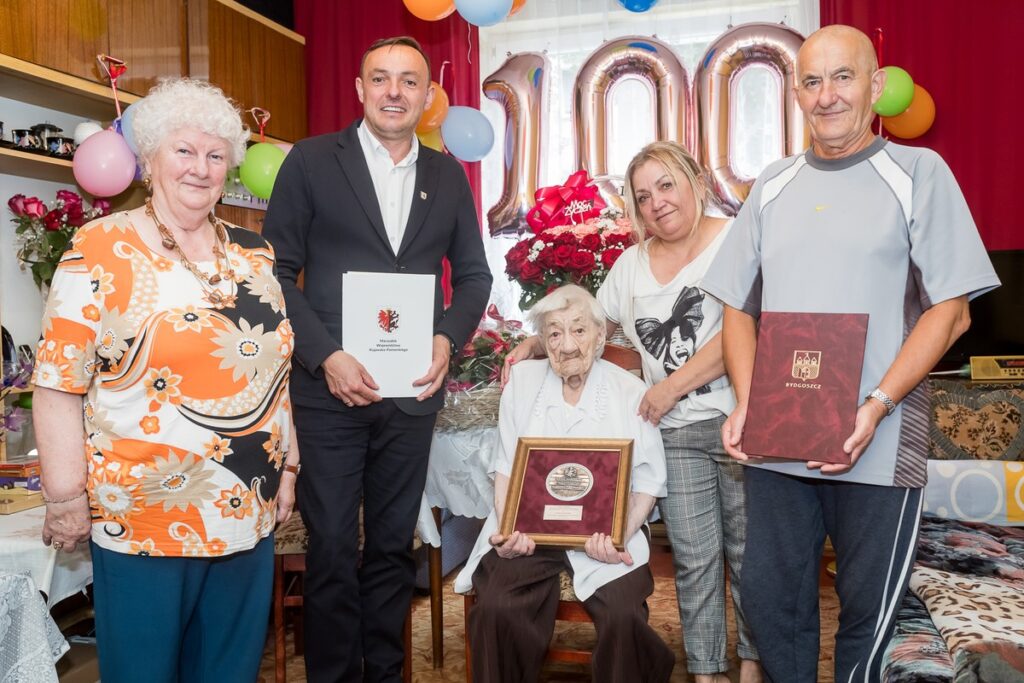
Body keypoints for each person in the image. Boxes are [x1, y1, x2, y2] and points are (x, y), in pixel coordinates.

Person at [700, 25, 999, 683]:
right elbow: (736, 308)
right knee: (772, 604)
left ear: (874, 83)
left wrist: (877, 402)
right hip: (781, 440)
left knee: (867, 614)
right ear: (796, 94)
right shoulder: (772, 184)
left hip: (881, 438)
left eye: (843, 77)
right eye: (811, 80)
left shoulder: (919, 172)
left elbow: (952, 312)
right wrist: (750, 404)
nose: (827, 95)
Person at [32, 77, 299, 682]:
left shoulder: (255, 256)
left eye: (214, 154)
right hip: (143, 513)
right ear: (149, 159)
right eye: (183, 150)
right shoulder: (100, 247)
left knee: (229, 672)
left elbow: (275, 374)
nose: (200, 168)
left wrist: (289, 467)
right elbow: (56, 383)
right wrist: (66, 496)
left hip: (245, 506)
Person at [260, 36, 492, 681]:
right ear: (359, 90)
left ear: (426, 96)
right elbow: (273, 273)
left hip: (411, 393)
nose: (395, 91)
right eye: (381, 79)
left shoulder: (447, 175)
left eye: (409, 81)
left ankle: (386, 672)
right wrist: (326, 355)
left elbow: (473, 275)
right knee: (333, 547)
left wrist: (446, 337)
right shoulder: (309, 162)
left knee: (394, 547)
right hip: (327, 391)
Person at [505, 141, 761, 683]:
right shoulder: (630, 264)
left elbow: (747, 330)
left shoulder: (738, 240)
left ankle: (753, 666)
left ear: (694, 179)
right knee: (695, 561)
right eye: (643, 196)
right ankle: (709, 671)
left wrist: (670, 386)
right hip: (674, 432)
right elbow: (592, 326)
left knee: (750, 560)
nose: (657, 203)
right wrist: (538, 340)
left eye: (666, 185)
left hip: (741, 422)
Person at [456, 284, 674, 683]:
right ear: (542, 341)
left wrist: (619, 536)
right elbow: (506, 466)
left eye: (578, 330)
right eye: (554, 333)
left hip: (607, 536)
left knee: (623, 615)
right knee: (496, 608)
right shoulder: (521, 384)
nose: (567, 345)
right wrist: (508, 531)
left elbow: (648, 479)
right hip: (530, 534)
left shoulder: (631, 390)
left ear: (600, 336)